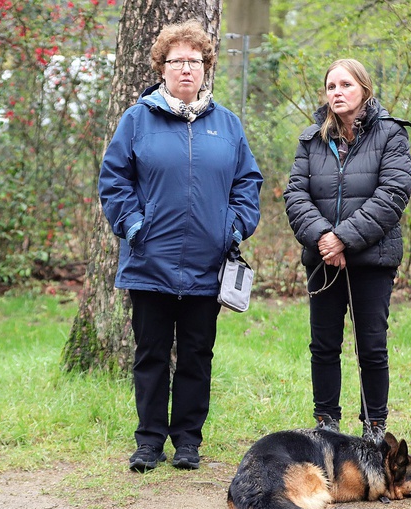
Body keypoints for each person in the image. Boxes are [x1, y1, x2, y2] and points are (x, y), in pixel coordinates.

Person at [99, 20, 262, 472]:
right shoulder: (137, 120)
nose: (186, 68)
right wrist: (135, 226)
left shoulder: (227, 125)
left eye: (195, 61)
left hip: (208, 264)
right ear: (162, 68)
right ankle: (149, 441)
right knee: (151, 354)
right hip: (149, 261)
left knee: (195, 355)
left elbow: (248, 184)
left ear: (206, 67)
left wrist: (232, 229)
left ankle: (188, 441)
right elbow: (114, 180)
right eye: (177, 61)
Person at [284, 58, 411, 444]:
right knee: (324, 346)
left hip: (372, 260)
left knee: (371, 347)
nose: (337, 92)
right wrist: (324, 238)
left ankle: (374, 429)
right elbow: (296, 195)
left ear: (364, 89)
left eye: (346, 85)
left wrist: (344, 238)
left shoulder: (391, 134)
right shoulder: (311, 140)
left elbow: (393, 194)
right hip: (323, 260)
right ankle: (326, 427)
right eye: (331, 87)